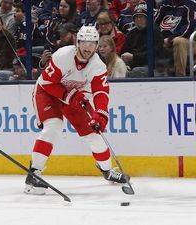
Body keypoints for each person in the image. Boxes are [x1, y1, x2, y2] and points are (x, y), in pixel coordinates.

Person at [24, 26, 130, 195]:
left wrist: (101, 113)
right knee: (53, 126)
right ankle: (33, 175)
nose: (88, 47)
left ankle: (108, 170)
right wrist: (69, 95)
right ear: (77, 43)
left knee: (94, 134)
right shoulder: (62, 56)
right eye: (84, 42)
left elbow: (101, 92)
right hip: (48, 92)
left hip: (75, 98)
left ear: (96, 45)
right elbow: (48, 83)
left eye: (92, 43)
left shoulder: (98, 66)